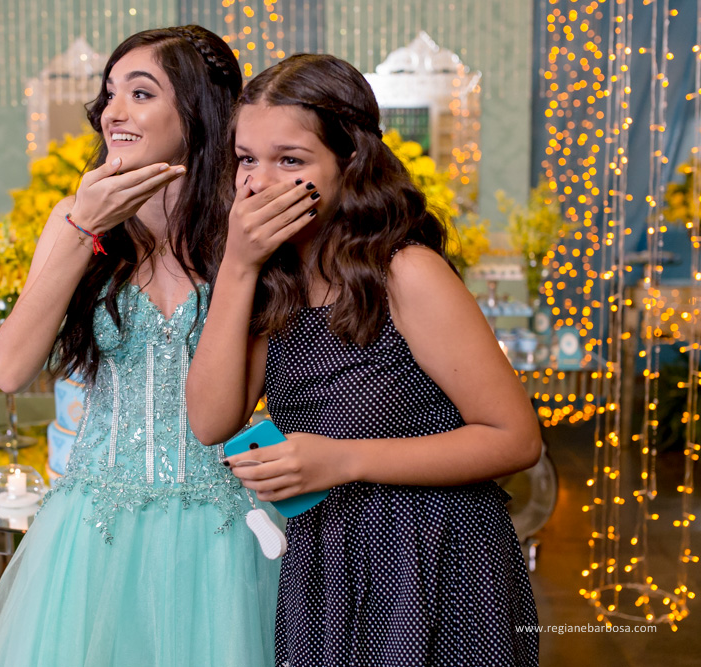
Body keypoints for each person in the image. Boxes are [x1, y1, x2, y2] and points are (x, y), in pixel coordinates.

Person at [186, 53, 540, 666]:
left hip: (432, 555)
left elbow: (514, 439)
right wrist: (239, 267)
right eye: (246, 159)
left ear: (349, 164)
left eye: (289, 160)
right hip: (327, 557)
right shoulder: (274, 280)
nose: (257, 182)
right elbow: (210, 421)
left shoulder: (405, 272)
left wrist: (343, 459)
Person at [0, 26, 279, 666]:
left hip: (221, 528)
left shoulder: (245, 231)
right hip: (93, 525)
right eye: (110, 94)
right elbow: (10, 368)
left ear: (197, 110)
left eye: (141, 93)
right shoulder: (73, 218)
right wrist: (84, 228)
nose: (114, 112)